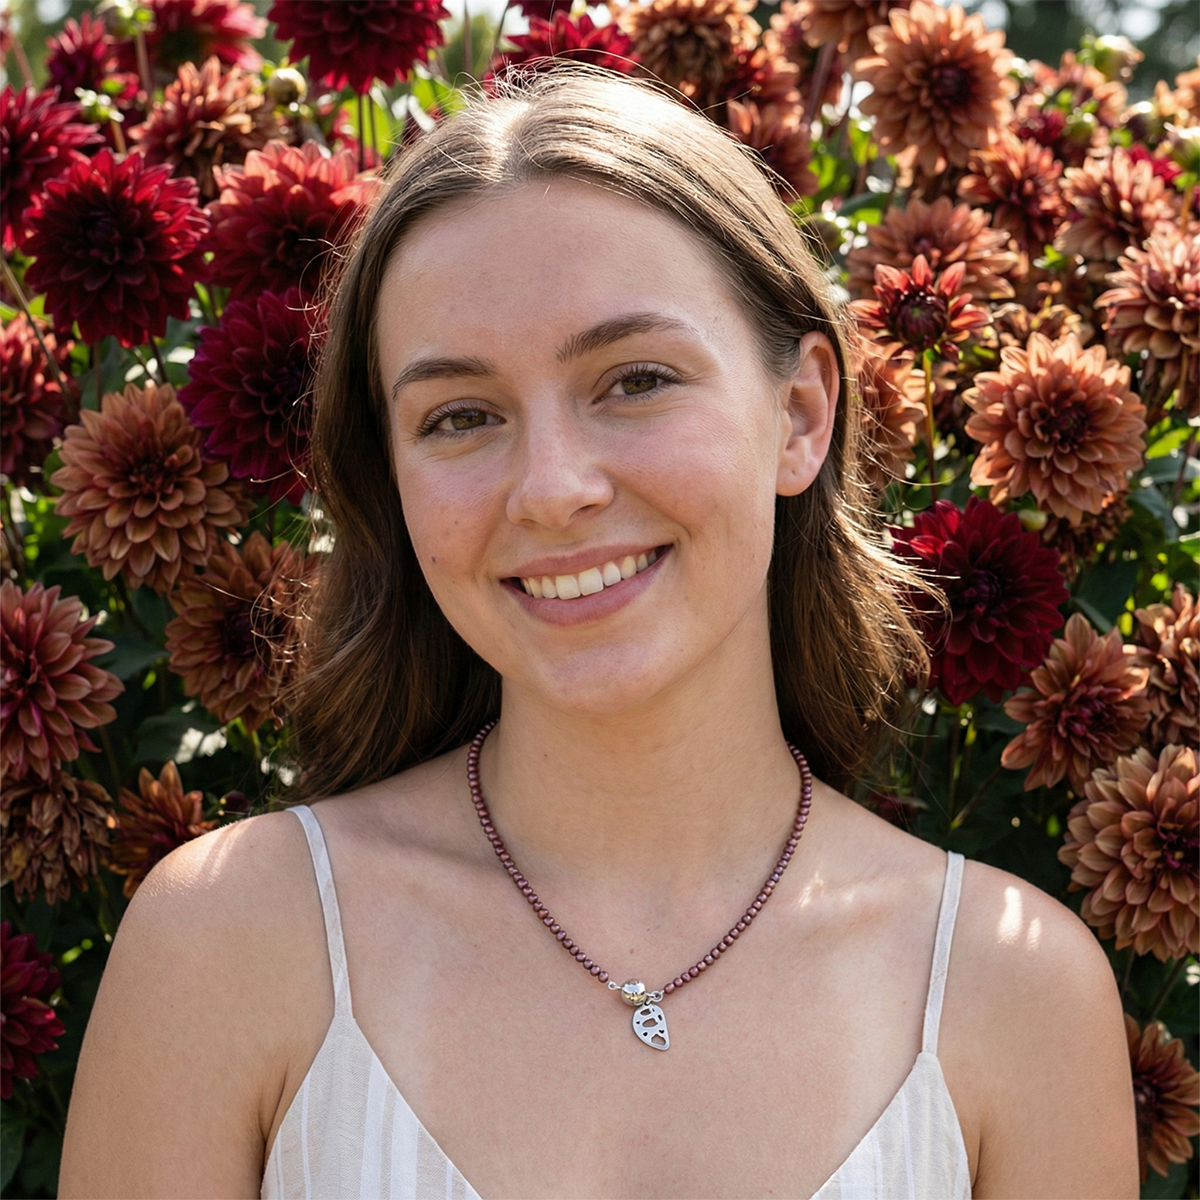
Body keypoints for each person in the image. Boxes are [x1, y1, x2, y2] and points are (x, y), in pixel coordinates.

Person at [59, 69, 1137, 1199]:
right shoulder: (227, 947)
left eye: (633, 379)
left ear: (802, 415)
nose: (553, 488)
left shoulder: (1013, 997)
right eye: (461, 415)